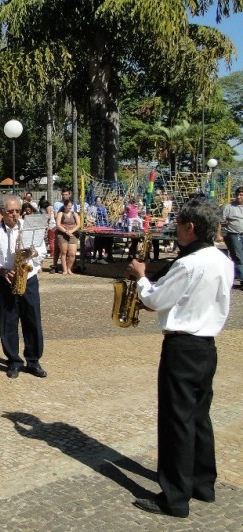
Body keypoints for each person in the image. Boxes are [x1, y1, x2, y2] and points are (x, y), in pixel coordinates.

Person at [128, 198, 233, 518]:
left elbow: (156, 300)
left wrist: (140, 276)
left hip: (182, 347)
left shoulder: (188, 263)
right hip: (206, 346)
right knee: (200, 417)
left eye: (179, 226)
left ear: (190, 227)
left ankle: (174, 497)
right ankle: (203, 484)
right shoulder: (223, 260)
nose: (175, 231)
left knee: (177, 422)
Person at [0, 195, 48, 380]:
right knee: (8, 322)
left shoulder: (29, 228)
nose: (15, 215)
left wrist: (33, 252)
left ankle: (33, 360)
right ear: (2, 212)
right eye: (10, 211)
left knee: (32, 320)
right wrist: (2, 271)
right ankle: (13, 361)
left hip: (28, 278)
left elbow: (43, 251)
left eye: (17, 211)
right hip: (6, 279)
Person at [221, 186, 243, 288]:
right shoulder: (228, 207)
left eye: (241, 195)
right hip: (234, 235)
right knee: (238, 258)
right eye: (237, 195)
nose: (238, 197)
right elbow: (220, 221)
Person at [55, 199, 80, 275]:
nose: (70, 207)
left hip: (72, 234)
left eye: (71, 206)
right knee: (64, 252)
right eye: (68, 206)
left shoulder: (74, 214)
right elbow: (58, 225)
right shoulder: (60, 214)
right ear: (65, 206)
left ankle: (69, 268)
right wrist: (65, 231)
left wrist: (71, 231)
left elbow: (78, 225)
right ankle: (65, 269)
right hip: (62, 234)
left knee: (72, 253)